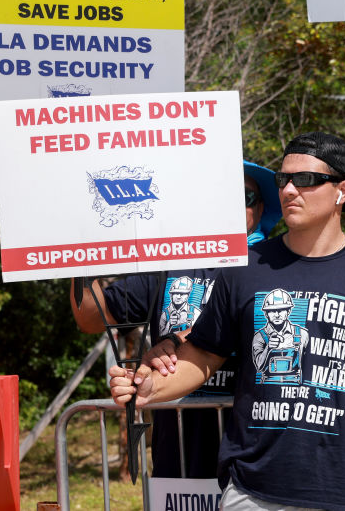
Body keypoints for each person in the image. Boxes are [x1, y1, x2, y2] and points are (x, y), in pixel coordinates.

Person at [110, 132, 345, 511]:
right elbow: (201, 356)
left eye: (307, 180)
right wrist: (147, 386)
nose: (290, 189)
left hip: (344, 490)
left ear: (342, 191)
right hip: (251, 491)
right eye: (284, 179)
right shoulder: (246, 268)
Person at [71, 160, 281, 478]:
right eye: (222, 193)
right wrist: (76, 252)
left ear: (261, 208)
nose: (233, 203)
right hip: (177, 462)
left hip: (252, 459)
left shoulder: (276, 266)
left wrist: (179, 340)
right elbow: (91, 317)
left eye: (246, 197)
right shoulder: (171, 264)